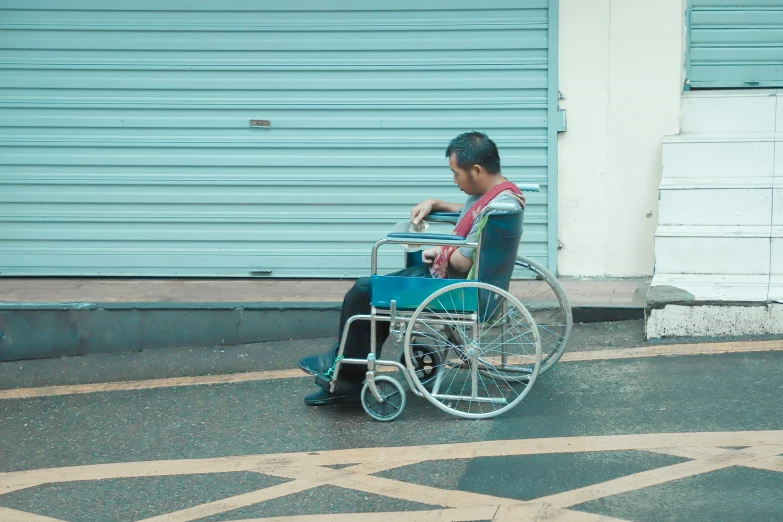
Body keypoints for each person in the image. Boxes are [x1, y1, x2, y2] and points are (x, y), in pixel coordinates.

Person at [299, 131, 525, 406]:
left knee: (364, 291)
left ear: (476, 170)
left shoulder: (495, 207)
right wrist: (435, 203)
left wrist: (440, 250)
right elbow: (469, 215)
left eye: (456, 174)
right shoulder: (499, 196)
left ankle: (346, 378)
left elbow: (464, 261)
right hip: (467, 285)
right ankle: (344, 360)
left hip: (454, 289)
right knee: (376, 292)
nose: (454, 181)